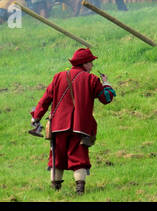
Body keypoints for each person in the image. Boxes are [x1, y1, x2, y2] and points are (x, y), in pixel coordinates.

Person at [30, 47, 116, 194]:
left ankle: (55, 190)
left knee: (57, 157)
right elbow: (106, 98)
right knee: (79, 157)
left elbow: (46, 99)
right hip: (80, 126)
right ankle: (80, 190)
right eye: (91, 62)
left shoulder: (58, 77)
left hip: (58, 126)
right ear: (84, 63)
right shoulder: (92, 79)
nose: (92, 65)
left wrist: (36, 117)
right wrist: (106, 84)